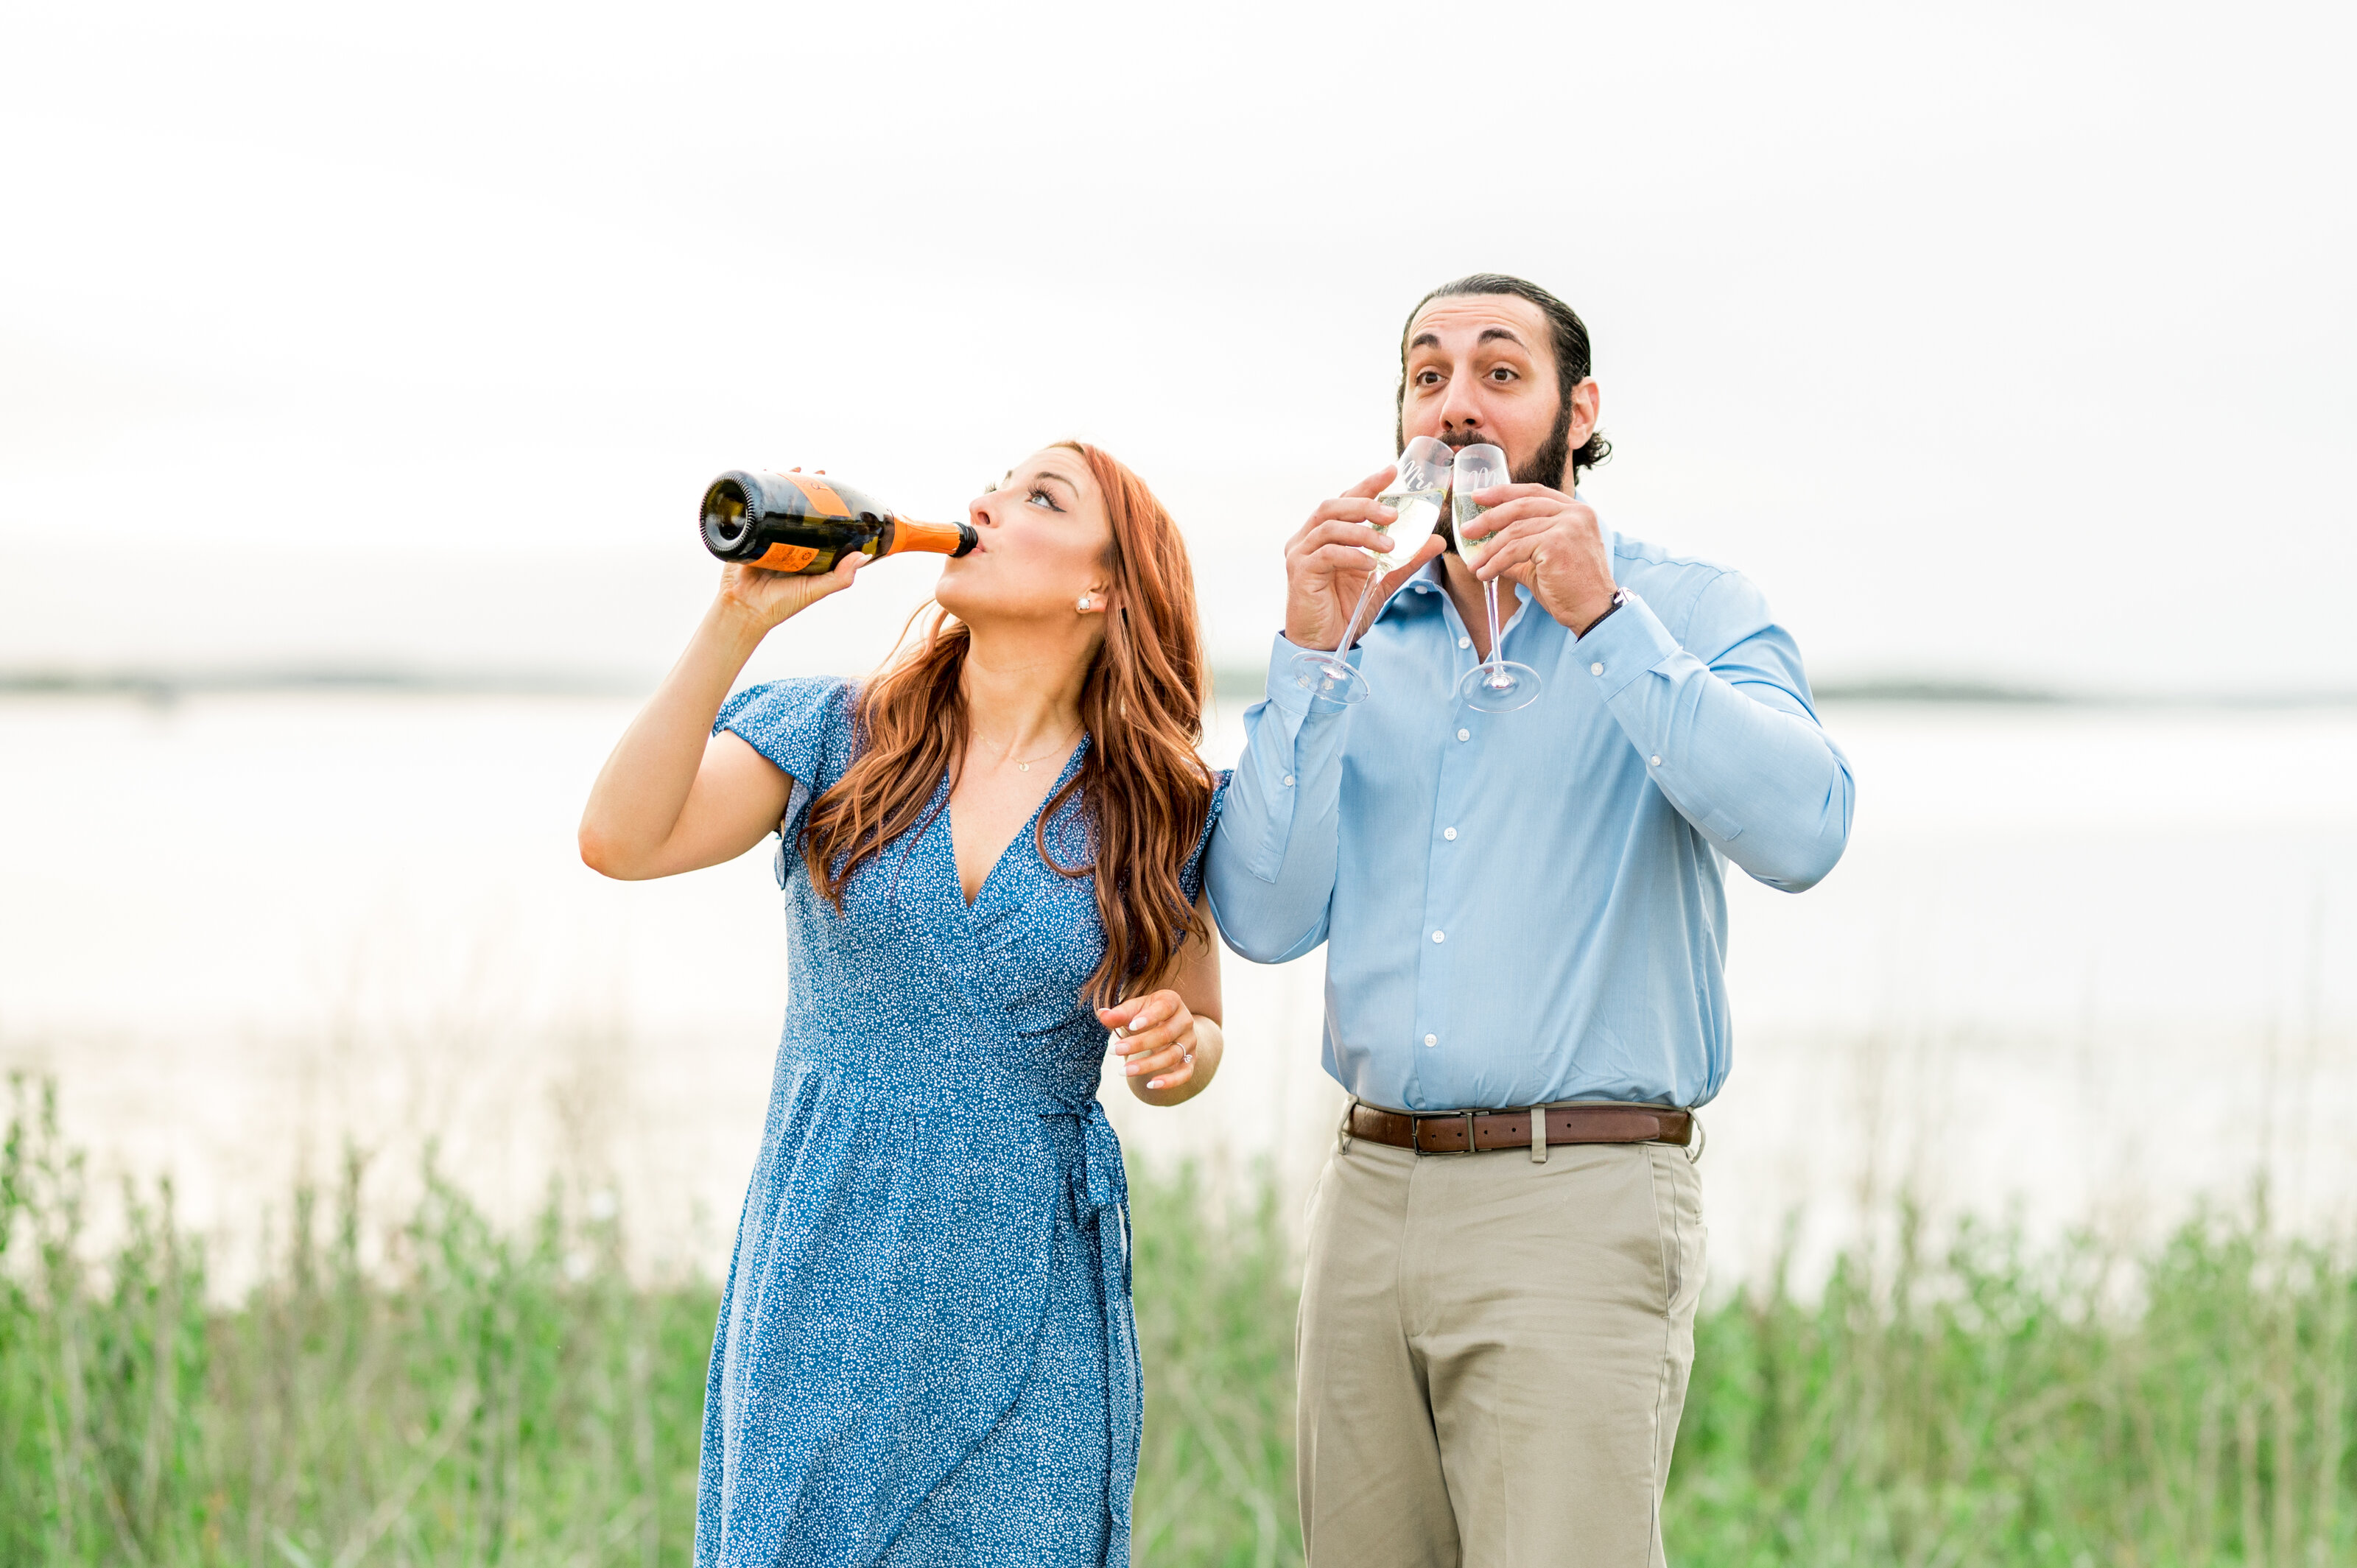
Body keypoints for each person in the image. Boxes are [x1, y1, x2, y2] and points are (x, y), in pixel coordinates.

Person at [1207, 274, 1856, 1567]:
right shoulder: (1362, 633)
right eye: (1426, 372)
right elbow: (1263, 919)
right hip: (1367, 1200)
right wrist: (1307, 655)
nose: (1456, 402)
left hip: (1583, 1198)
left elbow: (1806, 831)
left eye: (1500, 372)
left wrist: (1602, 619)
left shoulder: (1693, 603)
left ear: (1579, 410)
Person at [579, 442, 1229, 1568]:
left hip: (1028, 1292)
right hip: (827, 1258)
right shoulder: (838, 734)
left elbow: (1197, 1024)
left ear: (1104, 587)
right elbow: (619, 839)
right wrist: (735, 622)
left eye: (1042, 497)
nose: (985, 500)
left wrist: (1185, 1046)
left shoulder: (1159, 802)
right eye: (998, 481)